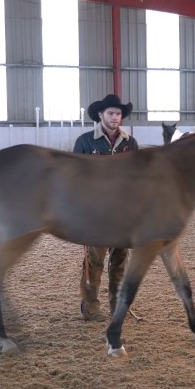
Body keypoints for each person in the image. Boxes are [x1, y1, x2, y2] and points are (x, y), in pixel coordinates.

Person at [73, 94, 140, 322]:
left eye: (118, 113)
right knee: (94, 262)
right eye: (111, 113)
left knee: (120, 262)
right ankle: (90, 308)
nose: (115, 117)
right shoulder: (85, 142)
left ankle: (119, 306)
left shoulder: (130, 143)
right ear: (101, 115)